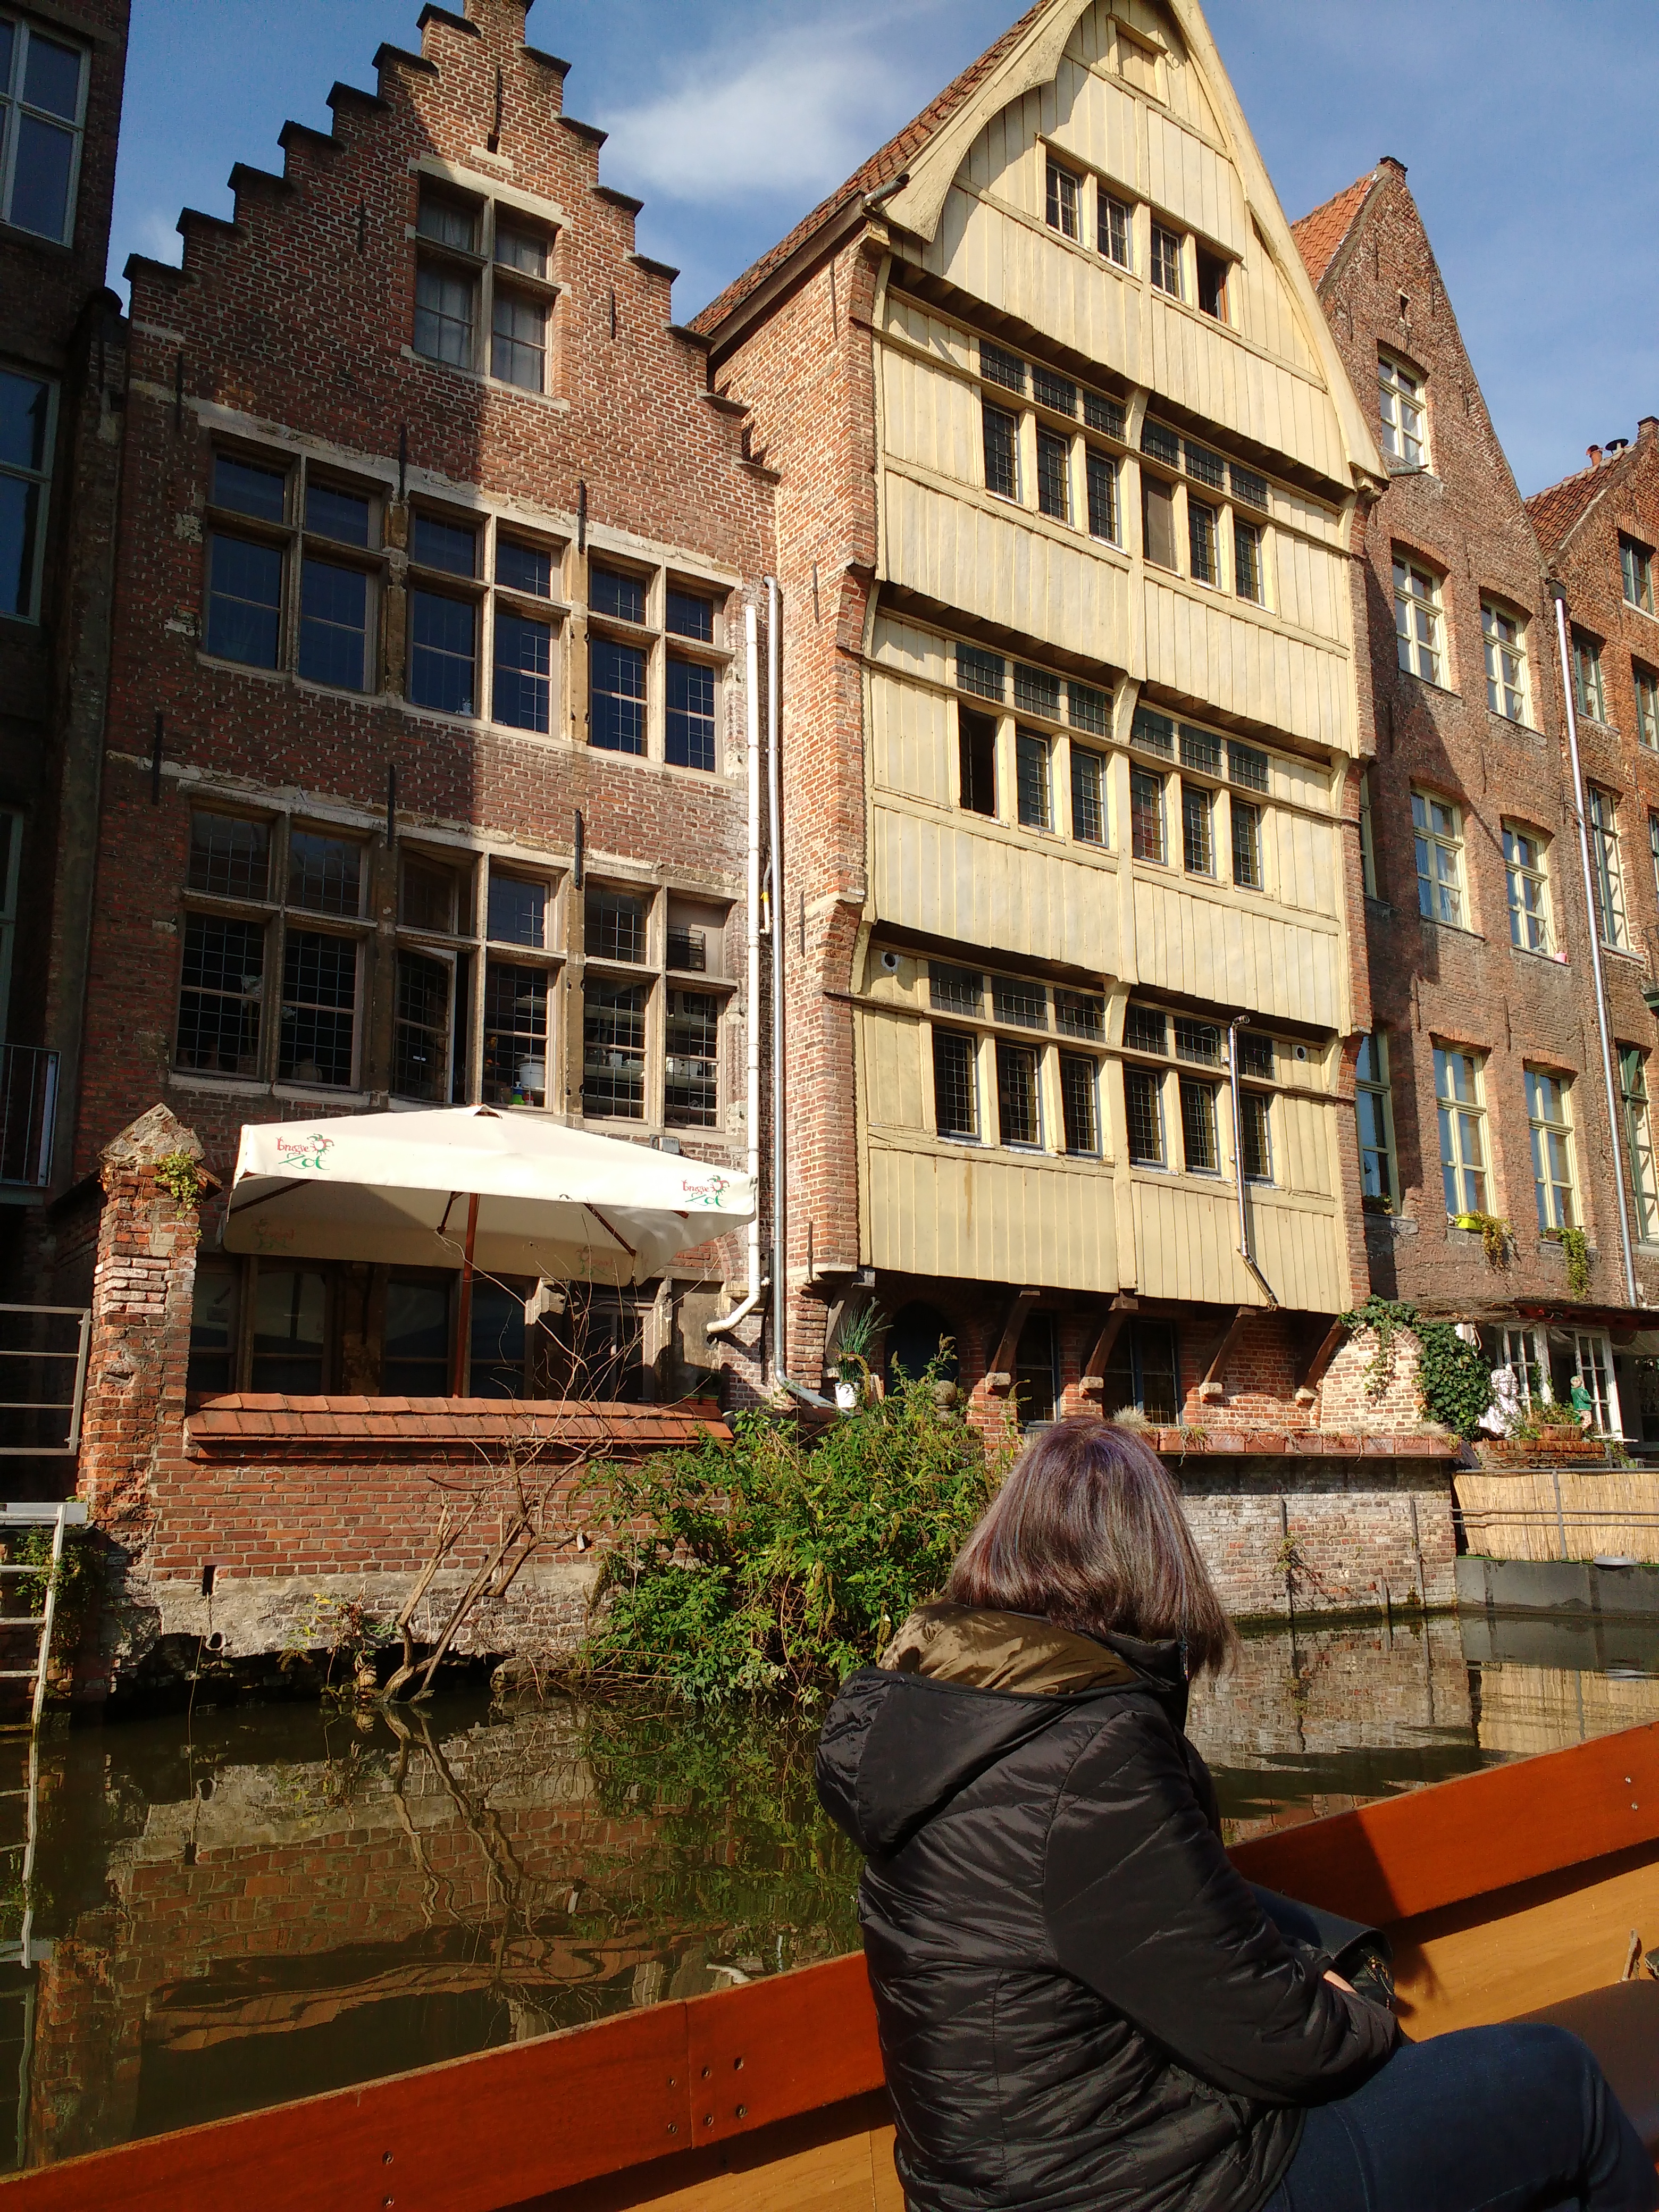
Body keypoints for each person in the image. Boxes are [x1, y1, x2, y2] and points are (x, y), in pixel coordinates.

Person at [815, 1417, 1655, 2212]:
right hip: (1146, 2187)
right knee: (1563, 2083)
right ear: (1152, 1560)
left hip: (998, 2184)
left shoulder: (952, 1719)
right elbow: (1283, 2041)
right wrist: (1360, 2000)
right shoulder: (1090, 1753)